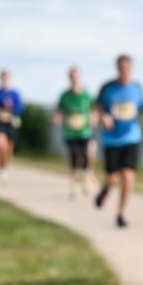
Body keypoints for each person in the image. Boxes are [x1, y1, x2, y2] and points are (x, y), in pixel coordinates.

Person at [93, 54, 143, 227]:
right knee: (113, 178)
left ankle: (121, 214)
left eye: (127, 68)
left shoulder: (137, 88)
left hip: (131, 137)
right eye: (121, 68)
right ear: (117, 68)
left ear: (131, 69)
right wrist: (103, 116)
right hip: (111, 139)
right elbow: (96, 108)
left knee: (127, 176)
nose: (124, 71)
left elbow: (142, 108)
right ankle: (105, 190)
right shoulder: (107, 88)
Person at [53, 67, 95, 197]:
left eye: (76, 76)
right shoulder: (65, 96)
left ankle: (85, 181)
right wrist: (57, 118)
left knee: (87, 156)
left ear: (80, 77)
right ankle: (76, 185)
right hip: (70, 133)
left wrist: (94, 117)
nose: (75, 79)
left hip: (85, 132)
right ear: (69, 78)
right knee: (75, 157)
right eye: (72, 76)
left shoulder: (87, 95)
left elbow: (94, 110)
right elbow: (59, 111)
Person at [0, 69, 24, 184]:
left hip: (11, 124)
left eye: (6, 78)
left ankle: (3, 169)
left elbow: (21, 108)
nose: (4, 80)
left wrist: (12, 106)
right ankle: (0, 169)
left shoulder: (15, 94)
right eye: (2, 78)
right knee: (0, 146)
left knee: (8, 150)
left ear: (9, 79)